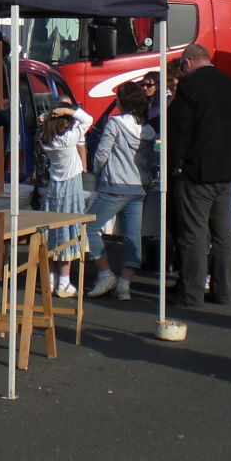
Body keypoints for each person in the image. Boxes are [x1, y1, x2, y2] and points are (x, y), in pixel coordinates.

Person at [168, 43, 231, 308]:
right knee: (223, 233)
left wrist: (177, 163)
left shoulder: (190, 86)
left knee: (193, 233)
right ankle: (223, 291)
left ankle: (191, 293)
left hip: (196, 171)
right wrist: (230, 154)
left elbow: (180, 129)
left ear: (188, 62)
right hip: (226, 171)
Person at [86, 82, 157, 300]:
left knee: (89, 228)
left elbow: (102, 153)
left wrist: (97, 171)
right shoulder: (149, 130)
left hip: (114, 184)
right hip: (138, 187)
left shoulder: (114, 123)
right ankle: (125, 283)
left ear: (122, 101)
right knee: (133, 236)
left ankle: (105, 273)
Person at [35, 100, 93, 299]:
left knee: (51, 232)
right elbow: (88, 119)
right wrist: (69, 110)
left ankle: (49, 280)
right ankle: (64, 281)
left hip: (54, 186)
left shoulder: (45, 140)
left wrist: (47, 117)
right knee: (68, 233)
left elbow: (41, 125)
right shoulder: (70, 137)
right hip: (71, 187)